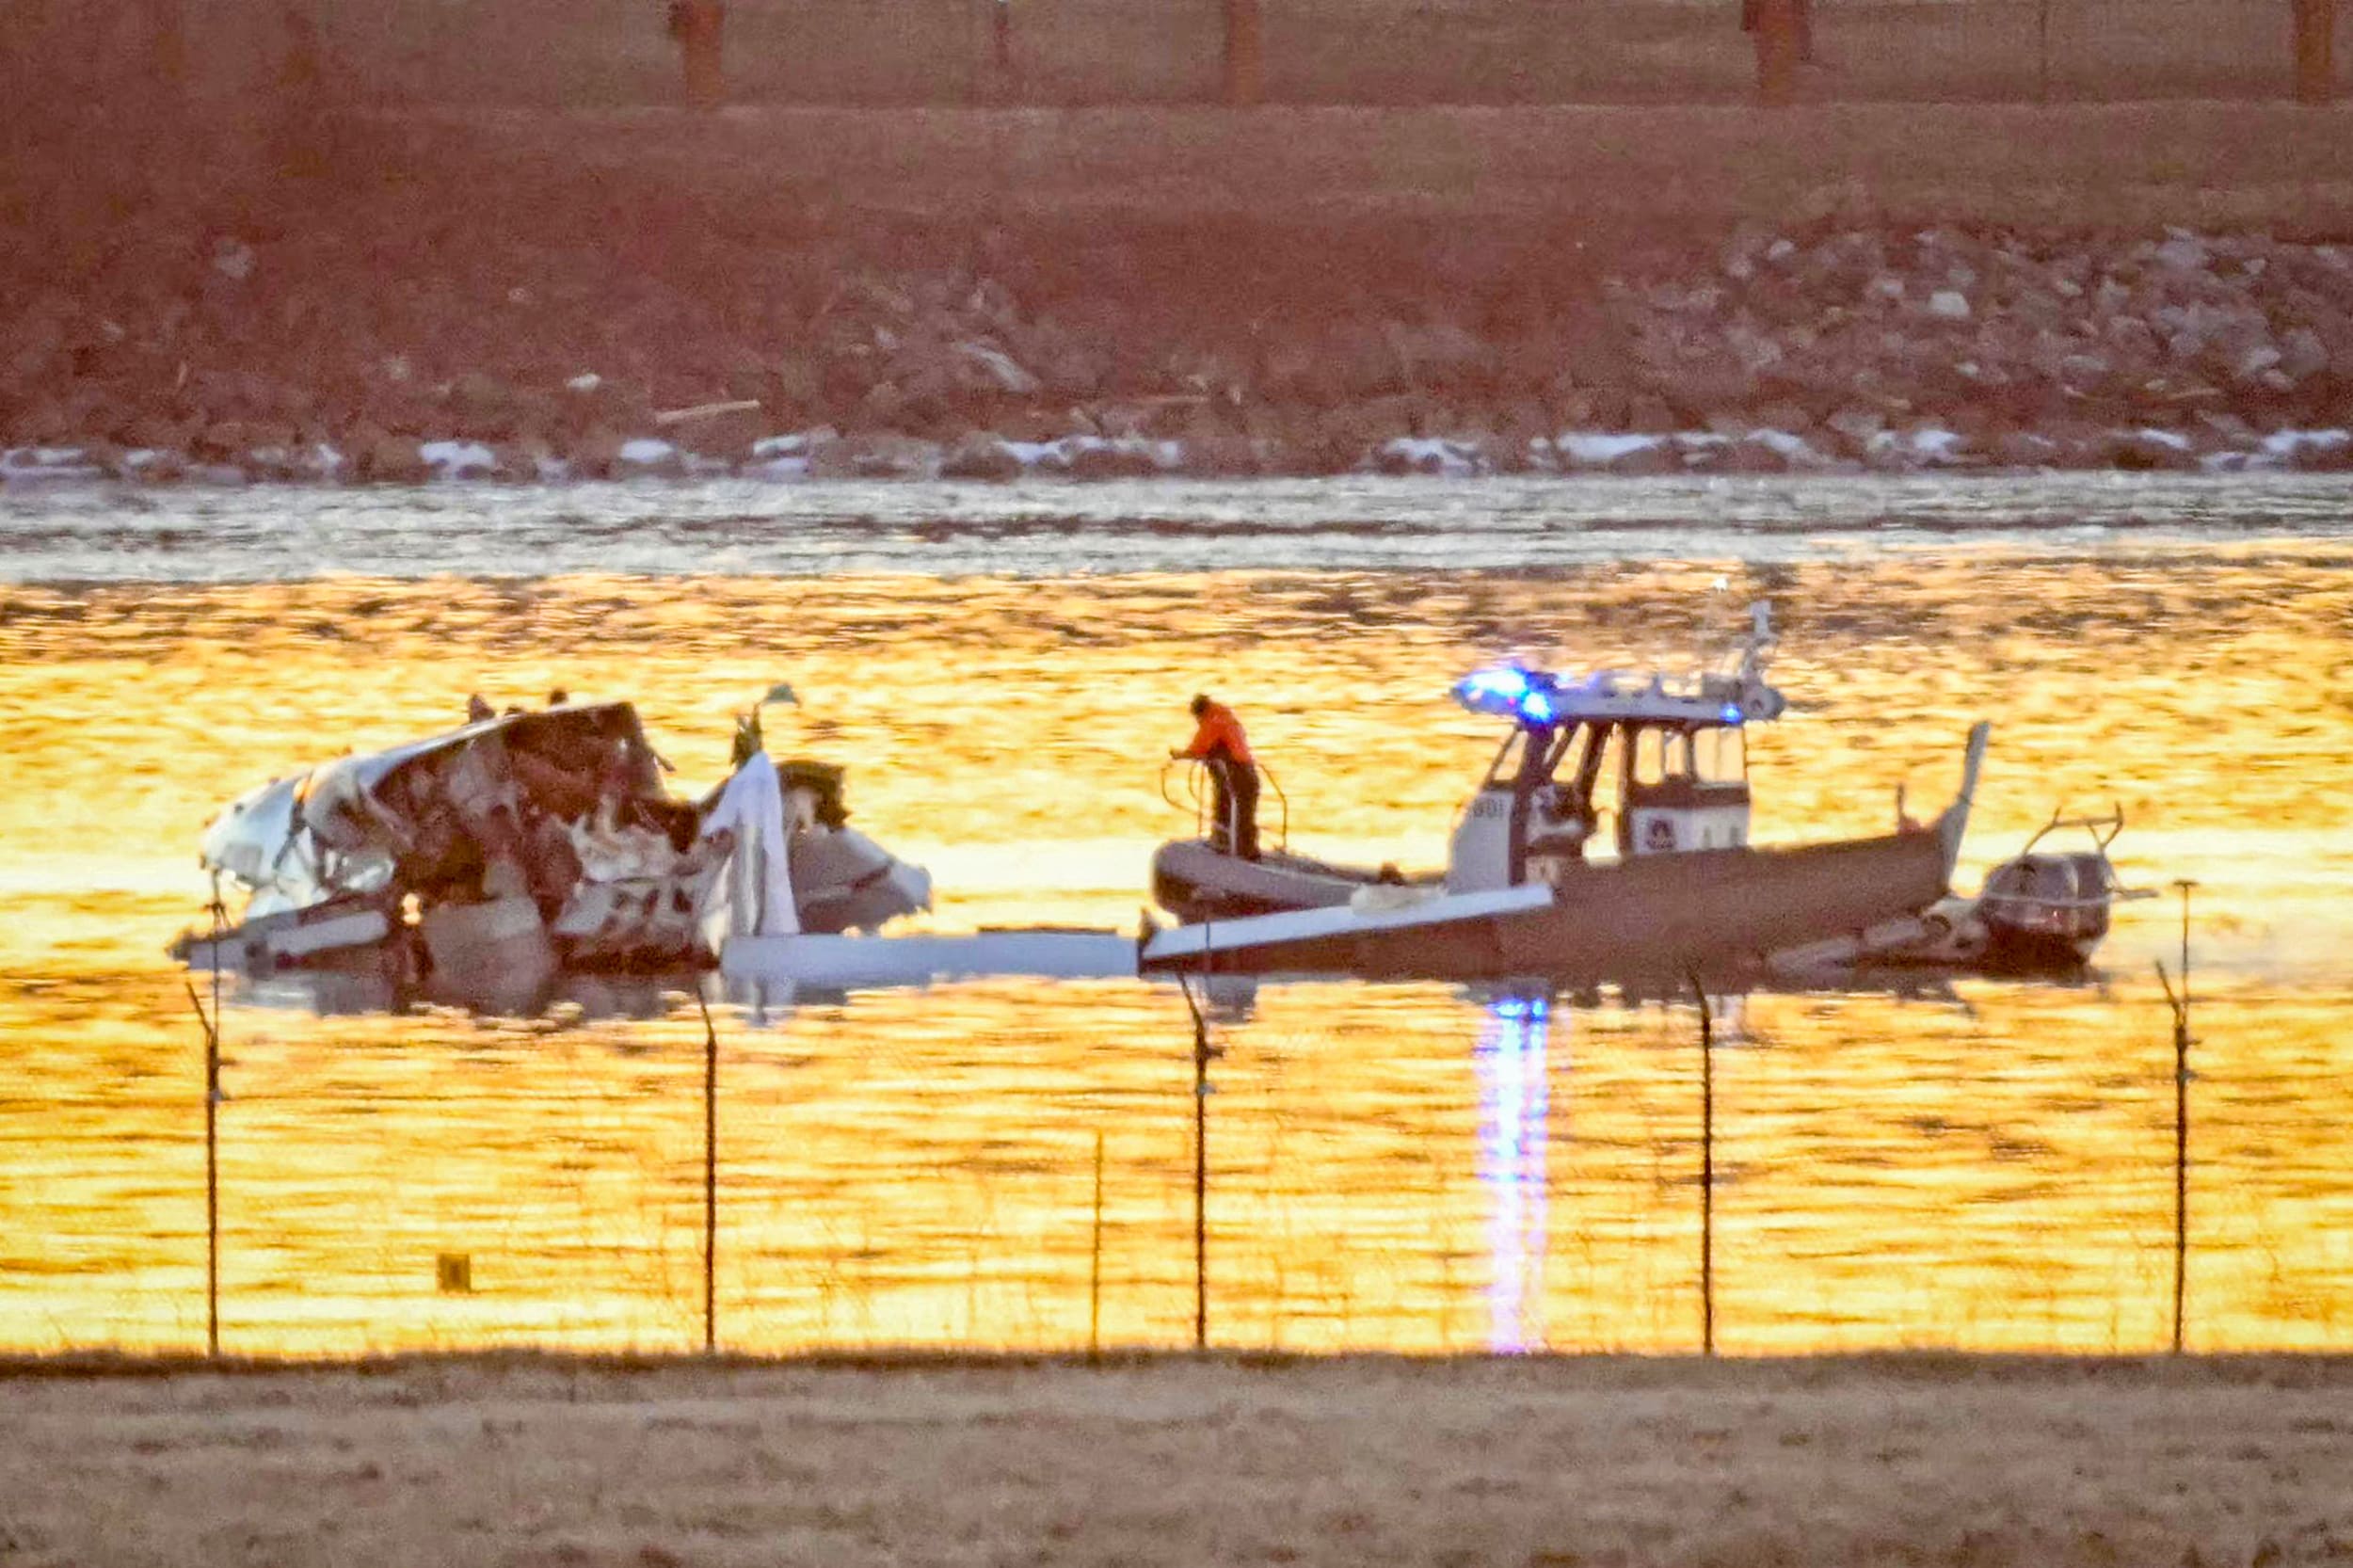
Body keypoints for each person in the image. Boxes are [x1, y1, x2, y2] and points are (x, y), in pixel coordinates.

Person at [1171, 693, 1259, 860]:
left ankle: (1229, 845)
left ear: (1200, 712)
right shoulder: (1228, 718)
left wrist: (1178, 755)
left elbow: (1197, 748)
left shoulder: (1213, 721)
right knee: (1244, 812)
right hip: (1247, 772)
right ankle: (1244, 848)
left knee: (1228, 806)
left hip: (1234, 773)